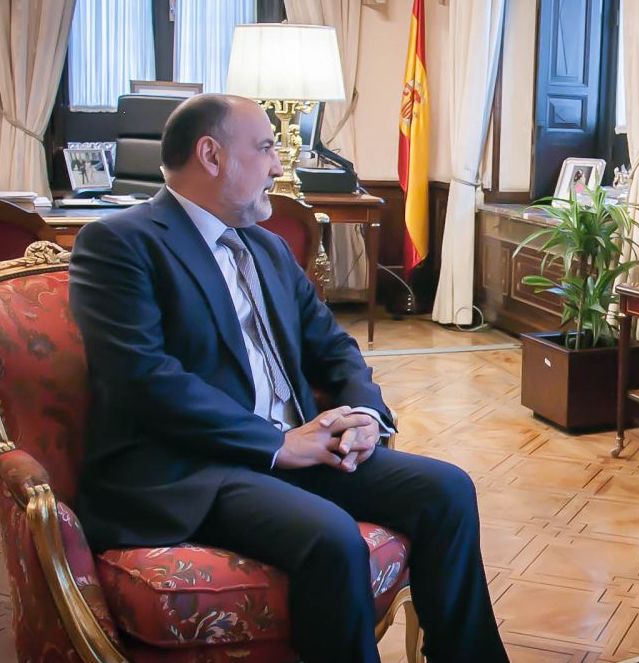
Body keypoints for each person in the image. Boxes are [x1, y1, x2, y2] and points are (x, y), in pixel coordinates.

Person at [68, 94, 509, 663]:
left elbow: (334, 348)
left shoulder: (269, 249)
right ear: (211, 155)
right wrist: (276, 443)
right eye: (266, 148)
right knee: (330, 535)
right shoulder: (121, 243)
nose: (279, 166)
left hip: (296, 447)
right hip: (193, 466)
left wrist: (363, 416)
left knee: (446, 490)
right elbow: (144, 378)